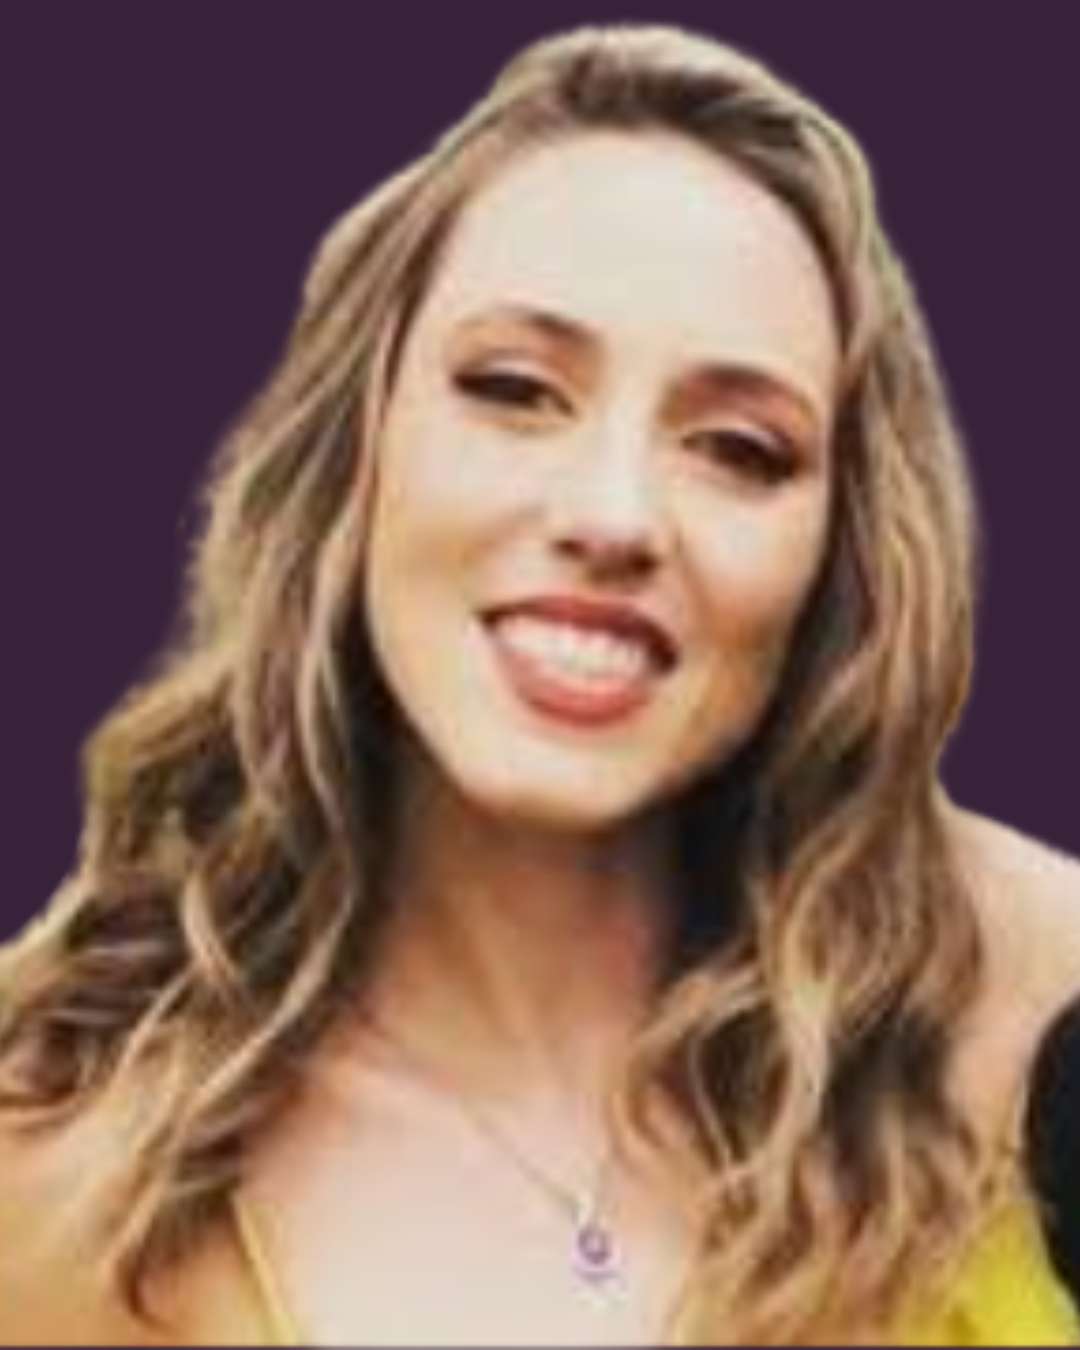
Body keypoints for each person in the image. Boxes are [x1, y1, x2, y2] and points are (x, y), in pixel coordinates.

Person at [1, 22, 1078, 1346]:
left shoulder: (1028, 1010)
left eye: (739, 449)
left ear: (836, 555)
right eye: (514, 389)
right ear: (357, 447)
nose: (614, 514)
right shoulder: (45, 1157)